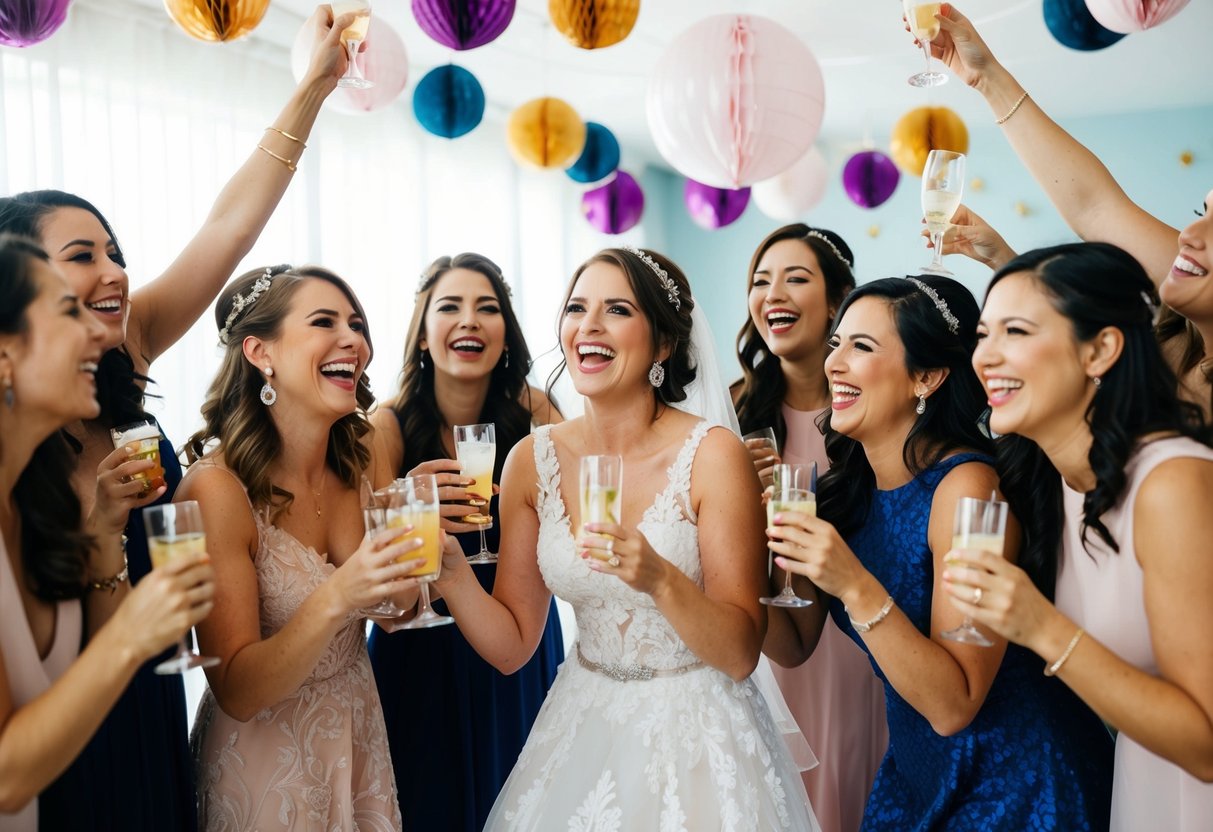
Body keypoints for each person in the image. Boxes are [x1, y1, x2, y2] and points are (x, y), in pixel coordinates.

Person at [0, 7, 357, 827]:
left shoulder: (125, 352)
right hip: (53, 715)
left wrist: (311, 88)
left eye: (115, 251)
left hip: (154, 699)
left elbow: (229, 229)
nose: (114, 272)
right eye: (80, 257)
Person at [433, 246, 820, 829]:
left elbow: (741, 653)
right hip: (582, 723)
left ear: (663, 344)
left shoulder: (713, 456)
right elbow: (513, 646)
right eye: (576, 308)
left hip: (699, 736)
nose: (588, 325)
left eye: (616, 309)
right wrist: (449, 570)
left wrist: (658, 576)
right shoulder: (530, 460)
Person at [766, 275, 1114, 829]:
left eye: (862, 346)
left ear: (925, 377)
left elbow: (956, 704)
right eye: (837, 343)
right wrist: (733, 533)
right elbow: (791, 645)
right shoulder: (843, 495)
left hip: (1017, 780)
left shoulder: (969, 489)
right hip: (918, 773)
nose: (834, 363)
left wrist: (853, 583)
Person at [943, 243, 1213, 831]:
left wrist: (1039, 626)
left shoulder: (1173, 482)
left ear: (1101, 349)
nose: (986, 356)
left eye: (1015, 331)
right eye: (984, 334)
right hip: (1142, 792)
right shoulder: (1056, 481)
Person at [178, 265, 428, 830]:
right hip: (265, 768)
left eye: (357, 324)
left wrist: (421, 534)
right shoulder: (217, 491)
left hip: (358, 740)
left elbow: (398, 613)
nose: (354, 340)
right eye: (324, 322)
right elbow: (237, 689)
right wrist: (340, 591)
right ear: (260, 353)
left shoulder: (363, 455)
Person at [0, 234, 214, 831]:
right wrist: (136, 632)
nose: (101, 335)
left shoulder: (25, 510)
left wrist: (102, 539)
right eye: (68, 313)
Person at [920, 3, 1213, 416]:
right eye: (1201, 212)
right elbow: (1094, 207)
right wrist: (985, 77)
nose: (1188, 233)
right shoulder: (1179, 343)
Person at [367, 252, 565, 831]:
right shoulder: (389, 424)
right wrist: (404, 499)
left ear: (507, 335)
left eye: (488, 309)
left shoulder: (537, 415)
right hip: (420, 646)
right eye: (449, 307)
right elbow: (368, 551)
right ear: (423, 335)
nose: (470, 321)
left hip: (514, 634)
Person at [734, 224, 885, 832]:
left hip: (858, 653)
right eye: (761, 280)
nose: (775, 293)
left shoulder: (875, 409)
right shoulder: (732, 414)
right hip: (766, 649)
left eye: (797, 278)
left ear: (839, 300)